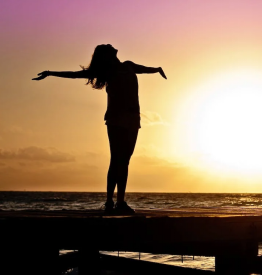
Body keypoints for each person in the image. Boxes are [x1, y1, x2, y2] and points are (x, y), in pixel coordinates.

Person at [32, 44, 167, 213]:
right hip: (116, 118)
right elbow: (75, 75)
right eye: (108, 47)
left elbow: (145, 69)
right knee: (117, 159)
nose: (112, 46)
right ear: (107, 55)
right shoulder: (106, 71)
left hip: (133, 119)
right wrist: (51, 73)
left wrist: (157, 69)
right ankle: (112, 202)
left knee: (124, 161)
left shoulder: (128, 65)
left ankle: (119, 202)